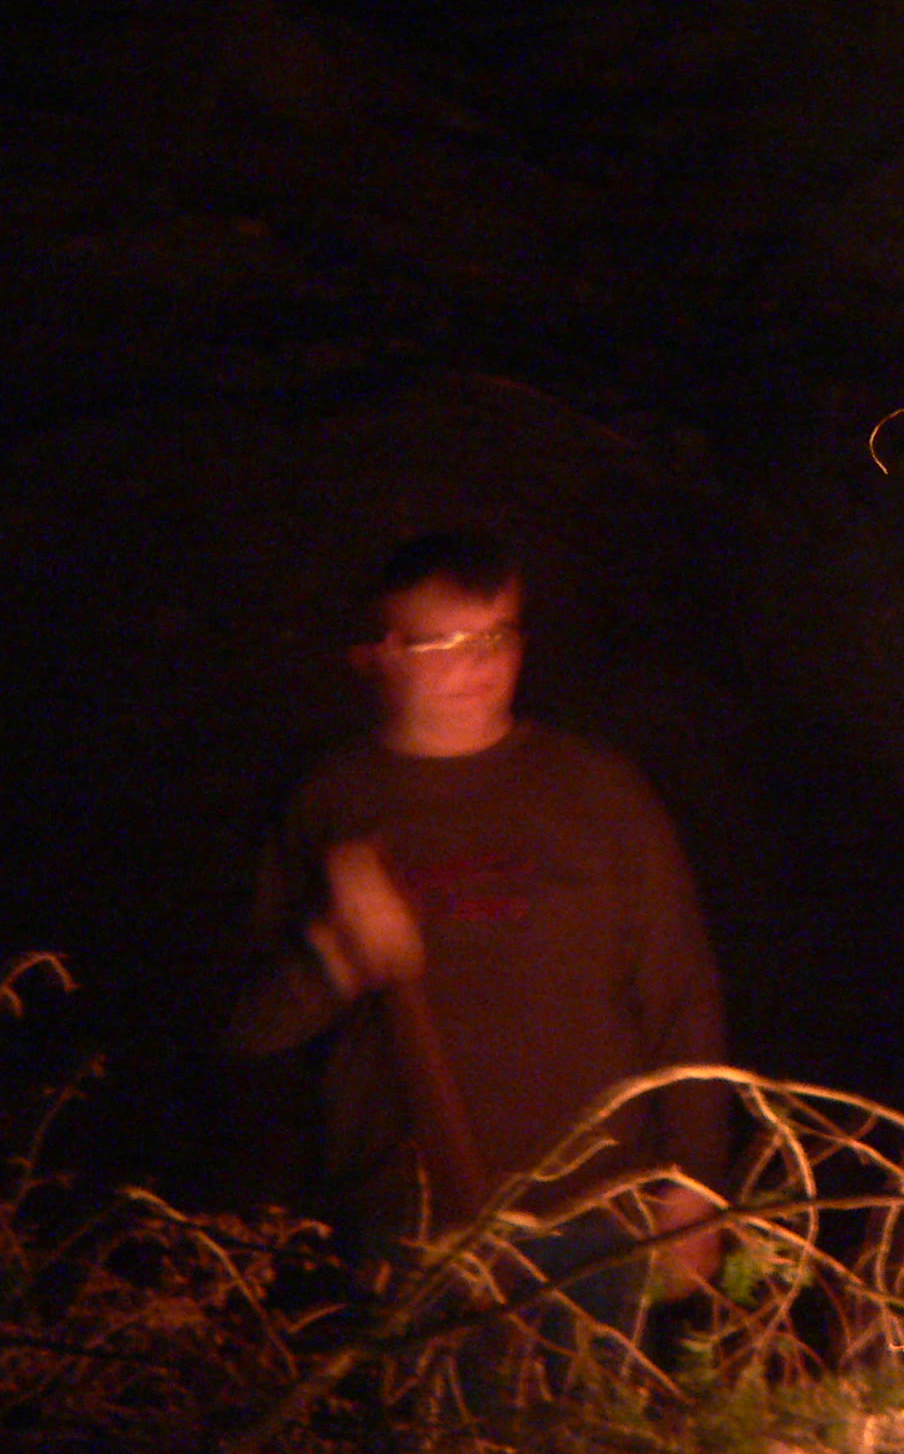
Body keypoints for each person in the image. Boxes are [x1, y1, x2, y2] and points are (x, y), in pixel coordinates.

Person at [228, 530, 729, 1308]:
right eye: (445, 643)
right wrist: (338, 958)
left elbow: (680, 991)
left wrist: (694, 1181)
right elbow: (248, 1027)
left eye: (495, 636)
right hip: (412, 1224)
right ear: (380, 654)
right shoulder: (332, 803)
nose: (480, 665)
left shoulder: (596, 790)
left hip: (597, 1212)